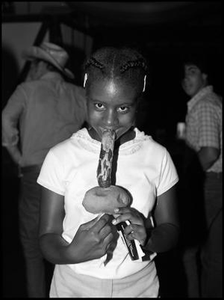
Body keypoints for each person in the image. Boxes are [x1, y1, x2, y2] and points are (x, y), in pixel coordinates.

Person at [37, 46, 180, 298]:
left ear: (138, 103)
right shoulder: (60, 156)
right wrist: (70, 252)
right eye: (99, 105)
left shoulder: (158, 156)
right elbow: (47, 237)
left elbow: (171, 228)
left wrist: (149, 236)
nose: (110, 121)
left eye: (123, 108)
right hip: (74, 283)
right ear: (86, 95)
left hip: (139, 285)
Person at [2, 42, 87, 298]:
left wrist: (18, 156)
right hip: (72, 177)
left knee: (32, 247)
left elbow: (4, 120)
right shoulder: (78, 94)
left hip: (35, 174)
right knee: (68, 242)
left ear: (40, 65)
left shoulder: (27, 89)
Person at [180, 54, 222, 298]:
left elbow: (209, 152)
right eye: (184, 73)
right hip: (217, 182)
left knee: (189, 250)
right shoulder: (214, 101)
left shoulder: (204, 104)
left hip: (208, 184)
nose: (186, 78)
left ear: (205, 76)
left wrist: (187, 179)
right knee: (214, 254)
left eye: (192, 71)